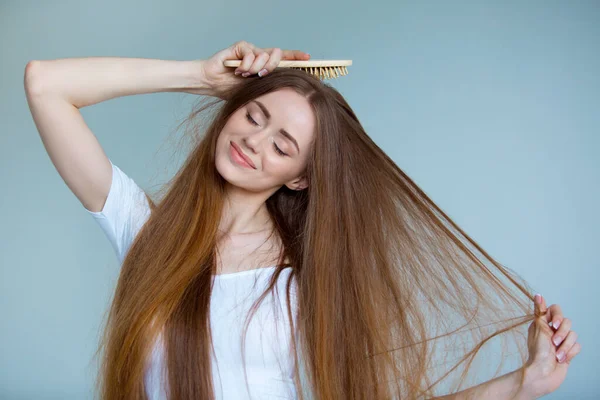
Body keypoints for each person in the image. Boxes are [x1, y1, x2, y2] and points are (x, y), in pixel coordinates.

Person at [24, 40, 581, 399]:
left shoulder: (303, 279)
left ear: (300, 178)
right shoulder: (145, 232)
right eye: (253, 114)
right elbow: (45, 84)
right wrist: (201, 74)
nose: (253, 141)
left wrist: (522, 383)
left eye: (283, 143)